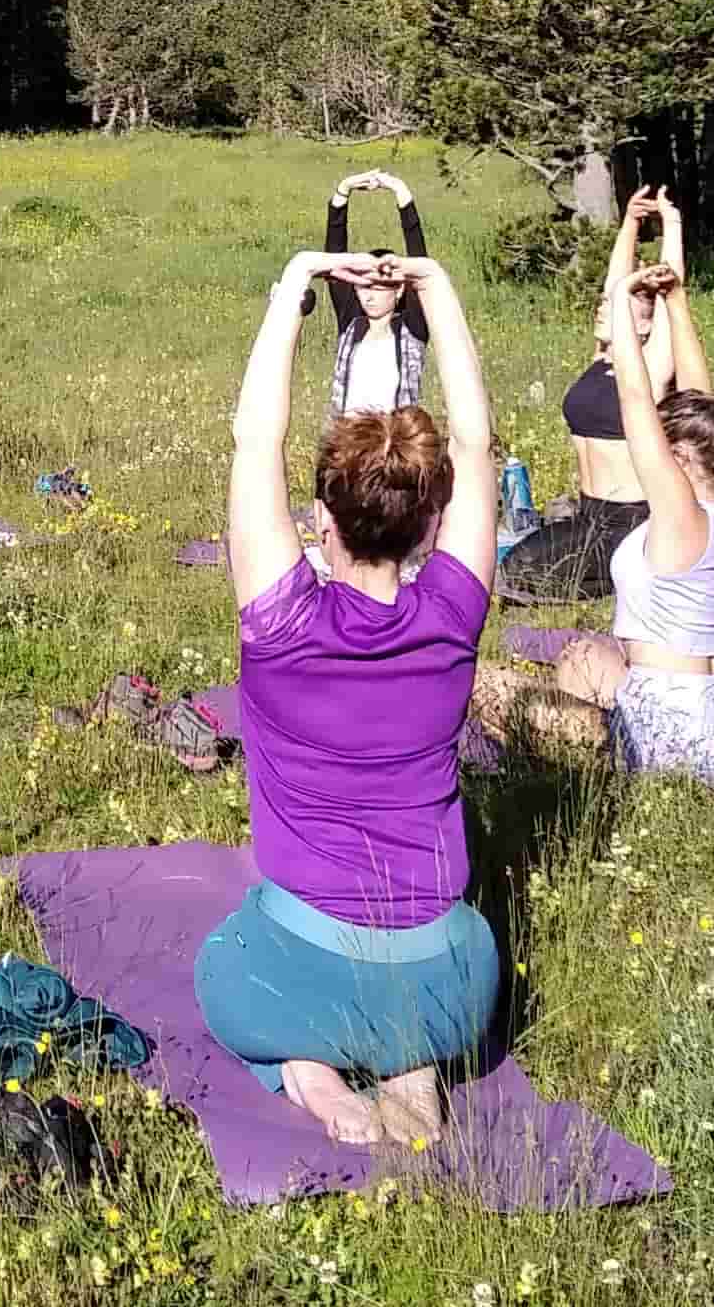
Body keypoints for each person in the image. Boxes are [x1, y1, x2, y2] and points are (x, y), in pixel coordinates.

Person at [191, 243, 504, 1151]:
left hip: (294, 972)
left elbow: (255, 440)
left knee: (226, 969)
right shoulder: (452, 610)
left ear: (319, 519)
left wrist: (293, 282)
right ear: (430, 521)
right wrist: (438, 287)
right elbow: (478, 444)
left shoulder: (280, 620)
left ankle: (310, 1075)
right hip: (453, 988)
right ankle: (413, 1066)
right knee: (410, 990)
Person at [473, 193, 714, 781]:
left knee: (477, 682)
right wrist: (677, 299)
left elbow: (637, 402)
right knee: (582, 659)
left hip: (671, 739)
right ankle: (577, 764)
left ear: (683, 457)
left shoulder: (679, 519)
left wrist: (625, 308)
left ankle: (561, 786)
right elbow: (700, 390)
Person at [494, 250, 689, 605]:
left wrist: (671, 222)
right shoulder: (601, 361)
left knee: (521, 571)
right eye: (605, 303)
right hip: (588, 514)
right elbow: (613, 283)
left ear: (645, 326)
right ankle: (621, 580)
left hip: (627, 520)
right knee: (509, 564)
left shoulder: (650, 373)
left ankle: (631, 581)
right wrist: (630, 219)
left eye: (616, 305)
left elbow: (672, 299)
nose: (603, 308)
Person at [308, 169, 430, 419]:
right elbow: (334, 254)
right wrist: (343, 192)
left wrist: (401, 192)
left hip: (394, 446)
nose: (369, 296)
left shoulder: (413, 327)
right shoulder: (351, 321)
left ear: (398, 290)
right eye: (364, 287)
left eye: (377, 287)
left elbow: (419, 259)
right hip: (348, 444)